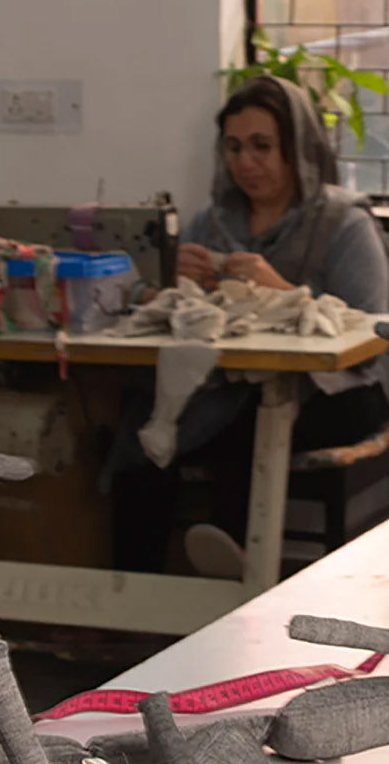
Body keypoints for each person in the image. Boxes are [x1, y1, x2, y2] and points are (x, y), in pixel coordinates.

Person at [111, 75, 389, 577]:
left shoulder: (344, 223)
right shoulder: (211, 222)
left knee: (244, 417)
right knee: (141, 416)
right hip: (228, 383)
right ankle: (130, 586)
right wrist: (169, 285)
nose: (245, 162)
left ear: (297, 148)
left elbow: (373, 327)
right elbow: (153, 301)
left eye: (262, 146)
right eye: (235, 148)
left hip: (338, 391)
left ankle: (235, 569)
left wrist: (280, 289)